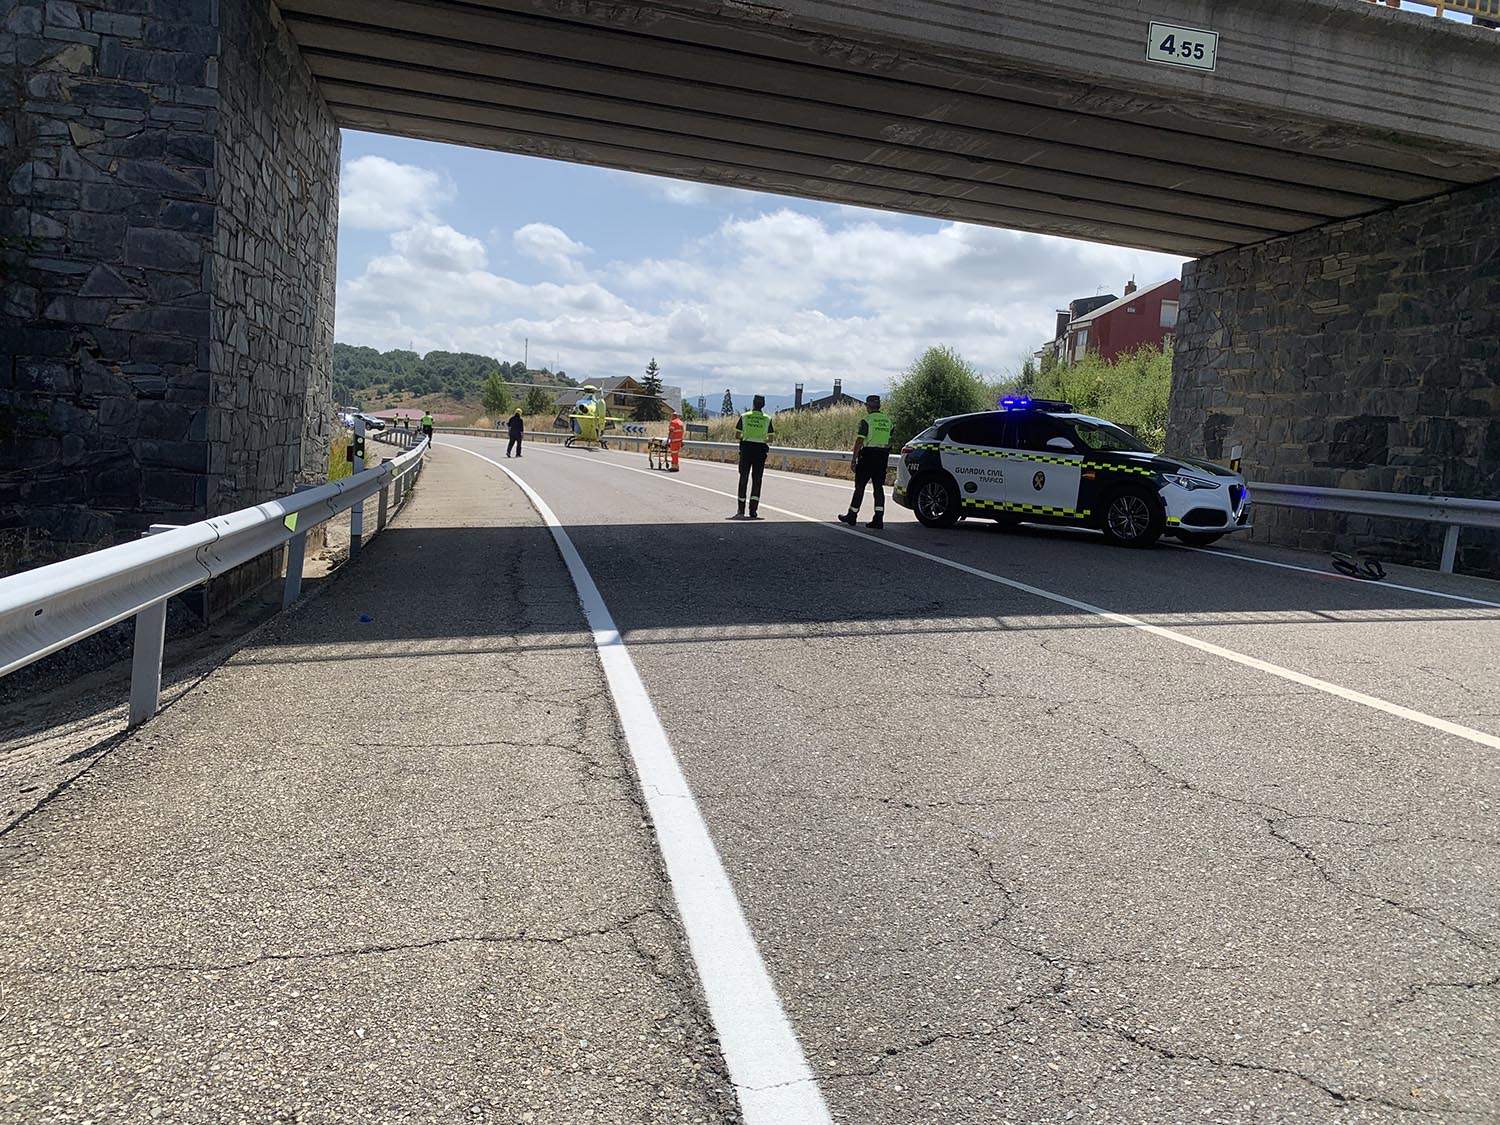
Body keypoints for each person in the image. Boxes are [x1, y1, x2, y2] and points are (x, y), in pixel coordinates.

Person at [838, 394, 893, 530]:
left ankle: (852, 515)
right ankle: (878, 519)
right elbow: (890, 440)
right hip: (882, 456)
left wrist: (854, 459)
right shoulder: (888, 421)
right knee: (878, 488)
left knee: (860, 486)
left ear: (868, 406)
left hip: (868, 455)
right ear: (879, 406)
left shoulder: (867, 420)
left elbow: (859, 441)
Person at [732, 394, 774, 519]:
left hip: (746, 449)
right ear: (763, 404)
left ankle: (741, 510)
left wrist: (746, 436)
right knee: (757, 480)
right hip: (760, 450)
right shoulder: (767, 418)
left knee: (743, 478)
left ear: (753, 403)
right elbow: (770, 438)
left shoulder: (745, 417)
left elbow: (737, 435)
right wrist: (761, 438)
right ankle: (753, 511)